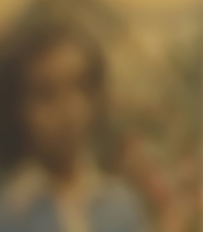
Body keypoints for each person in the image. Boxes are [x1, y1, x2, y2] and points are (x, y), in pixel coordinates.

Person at [0, 24, 148, 232]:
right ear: (17, 105)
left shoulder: (120, 205)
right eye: (46, 94)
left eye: (79, 88)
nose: (67, 111)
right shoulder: (10, 209)